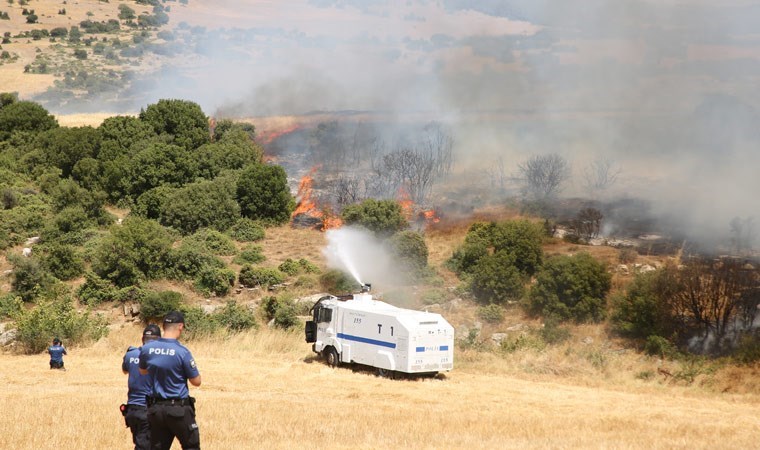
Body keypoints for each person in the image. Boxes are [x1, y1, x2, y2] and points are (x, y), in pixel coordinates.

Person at [139, 311, 201, 450]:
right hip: (178, 410)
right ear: (180, 326)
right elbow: (196, 381)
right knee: (191, 446)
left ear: (163, 326)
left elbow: (143, 371)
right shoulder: (182, 352)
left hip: (155, 410)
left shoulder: (147, 349)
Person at [122, 324, 162, 450]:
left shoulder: (131, 354)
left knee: (140, 443)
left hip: (132, 409)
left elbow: (125, 370)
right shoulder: (159, 358)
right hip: (147, 409)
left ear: (142, 338)